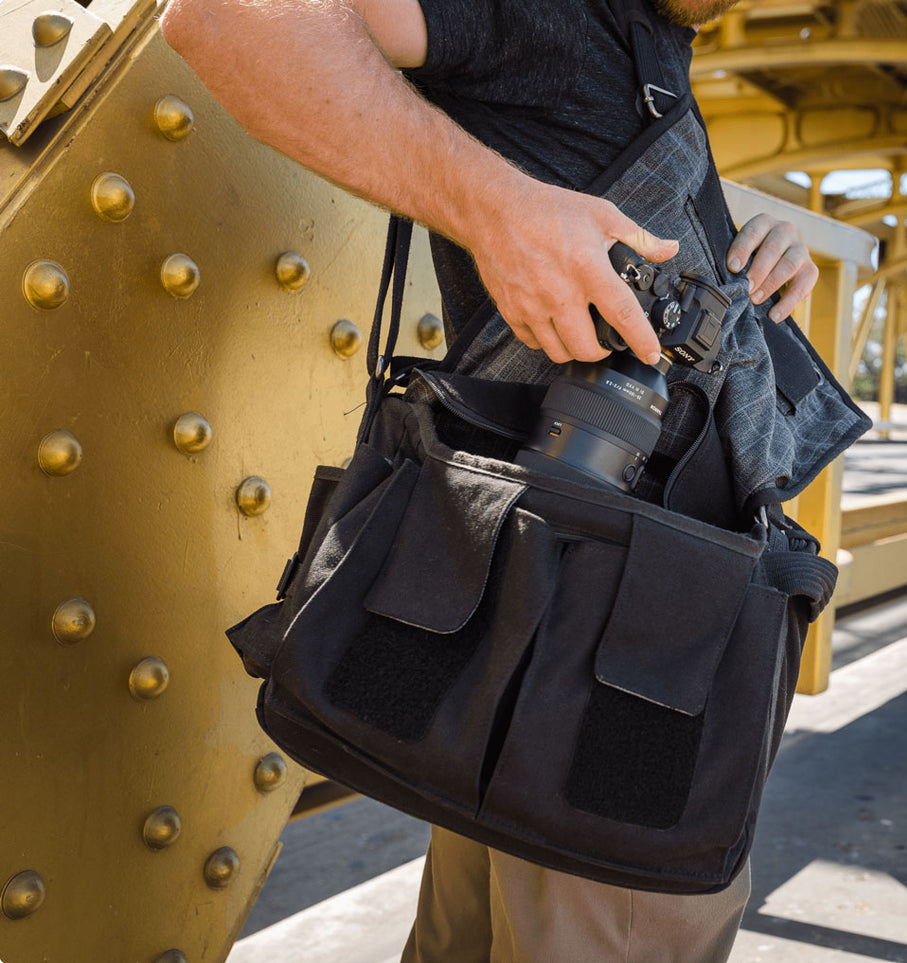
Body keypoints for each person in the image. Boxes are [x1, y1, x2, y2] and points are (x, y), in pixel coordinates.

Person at [160, 0, 870, 959]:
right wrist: (494, 210)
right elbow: (225, 16)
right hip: (611, 652)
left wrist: (730, 240)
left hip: (559, 629)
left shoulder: (653, 43)